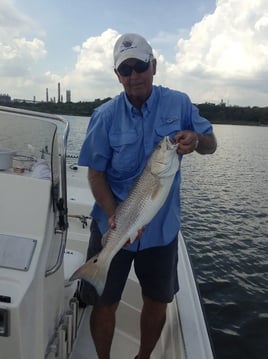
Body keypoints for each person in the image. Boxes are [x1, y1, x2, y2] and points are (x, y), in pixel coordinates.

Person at [78, 33, 217, 359]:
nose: (134, 75)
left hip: (161, 228)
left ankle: (143, 358)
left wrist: (196, 139)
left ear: (153, 66)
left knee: (158, 299)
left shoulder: (178, 103)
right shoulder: (104, 116)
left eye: (140, 66)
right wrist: (114, 214)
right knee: (104, 301)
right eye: (125, 70)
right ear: (117, 75)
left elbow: (211, 144)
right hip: (114, 222)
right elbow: (95, 175)